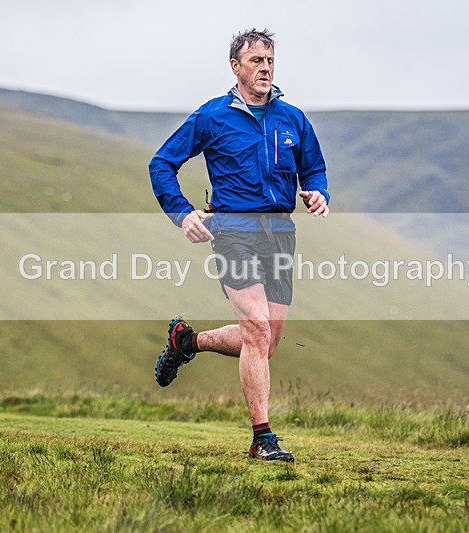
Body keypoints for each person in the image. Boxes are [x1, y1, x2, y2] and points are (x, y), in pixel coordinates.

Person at [148, 28, 329, 462]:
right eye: (256, 61)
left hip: (280, 233)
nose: (265, 68)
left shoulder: (293, 118)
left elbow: (314, 169)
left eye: (270, 61)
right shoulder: (212, 116)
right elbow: (161, 164)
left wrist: (318, 192)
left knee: (265, 342)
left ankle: (186, 343)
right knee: (257, 330)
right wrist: (183, 213)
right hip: (233, 231)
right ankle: (262, 438)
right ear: (236, 67)